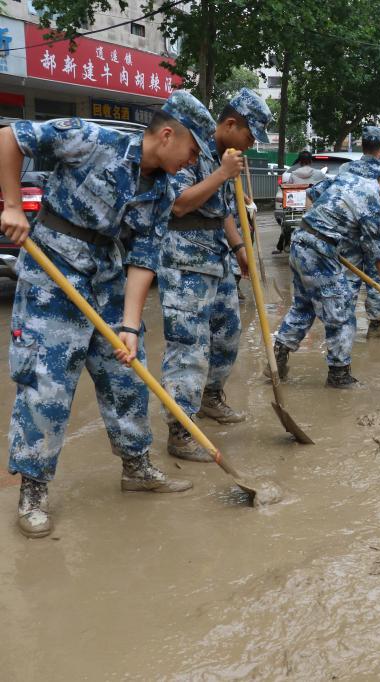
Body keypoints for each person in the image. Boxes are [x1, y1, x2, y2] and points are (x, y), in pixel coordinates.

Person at [0, 101, 202, 537]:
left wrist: (129, 326)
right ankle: (33, 489)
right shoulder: (92, 140)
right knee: (46, 383)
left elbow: (145, 256)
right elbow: (11, 138)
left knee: (127, 373)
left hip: (106, 276)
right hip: (52, 270)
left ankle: (137, 467)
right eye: (193, 150)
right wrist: (13, 206)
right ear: (168, 135)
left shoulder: (163, 191)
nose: (193, 161)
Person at [158, 87, 271, 462]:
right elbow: (179, 203)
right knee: (189, 347)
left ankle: (209, 398)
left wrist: (240, 249)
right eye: (250, 135)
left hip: (216, 256)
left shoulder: (220, 156)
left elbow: (219, 209)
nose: (252, 144)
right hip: (184, 257)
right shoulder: (187, 146)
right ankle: (180, 430)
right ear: (231, 123)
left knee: (227, 333)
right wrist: (222, 174)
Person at [271, 165, 380, 387]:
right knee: (342, 311)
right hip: (318, 251)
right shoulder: (372, 205)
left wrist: (318, 228)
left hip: (301, 241)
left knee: (304, 306)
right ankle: (339, 374)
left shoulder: (348, 178)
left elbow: (310, 195)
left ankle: (276, 360)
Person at [331, 125, 380, 338]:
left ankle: (345, 328)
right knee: (377, 279)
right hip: (373, 235)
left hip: (348, 237)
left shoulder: (346, 169)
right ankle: (376, 326)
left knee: (348, 283)